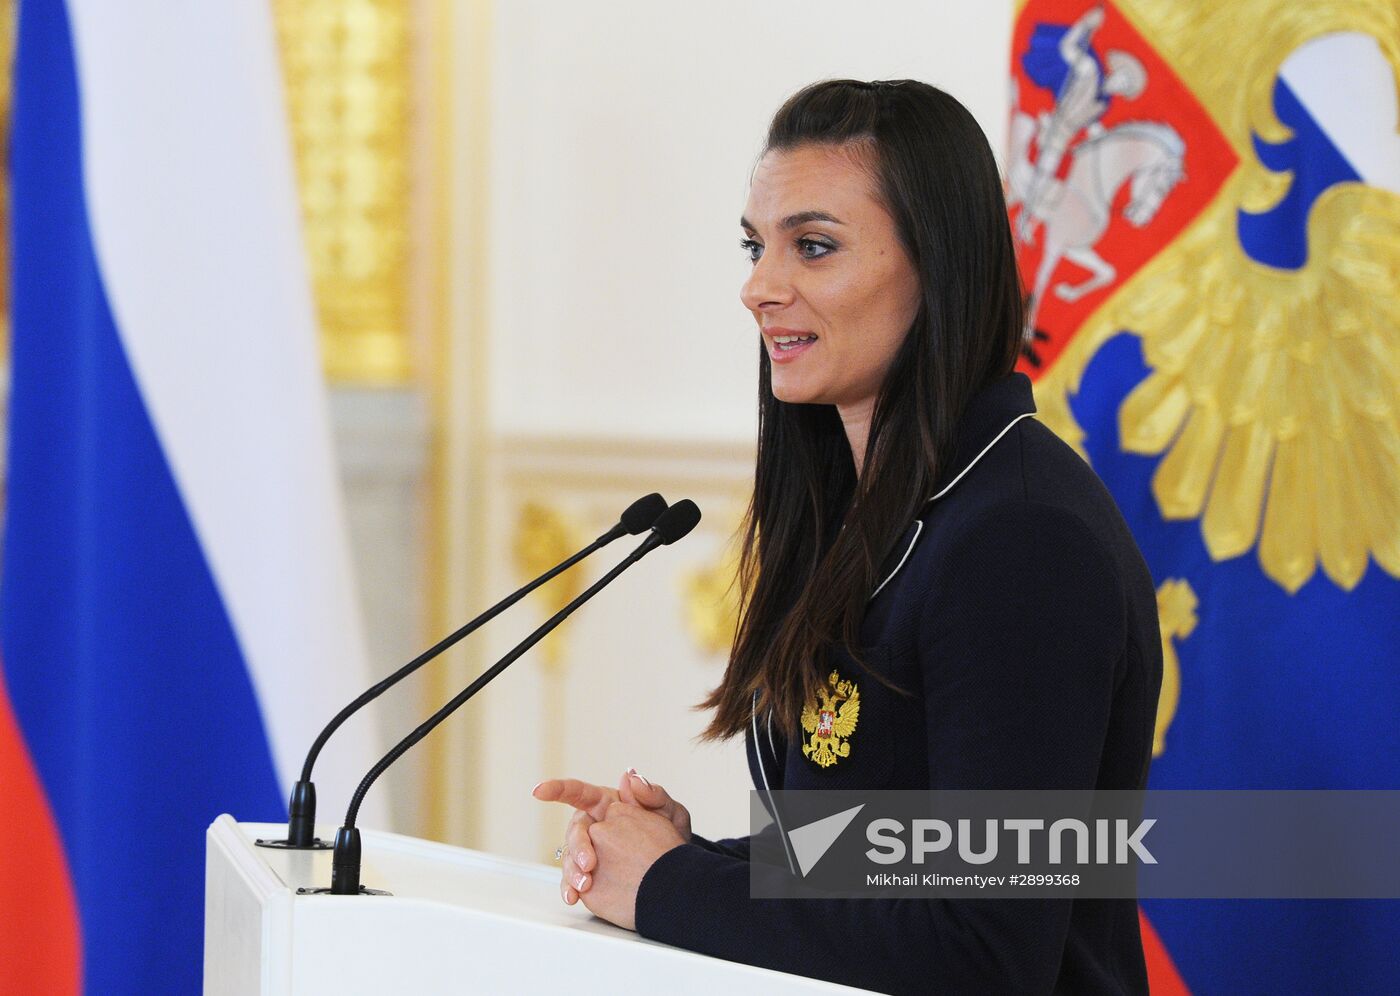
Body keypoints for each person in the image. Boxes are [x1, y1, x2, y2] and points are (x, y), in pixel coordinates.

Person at [532, 78, 1162, 994]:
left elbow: (985, 949)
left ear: (936, 266)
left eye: (813, 247)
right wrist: (692, 859)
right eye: (755, 246)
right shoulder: (878, 511)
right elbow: (890, 862)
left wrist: (673, 888)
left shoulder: (1021, 541)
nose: (758, 288)